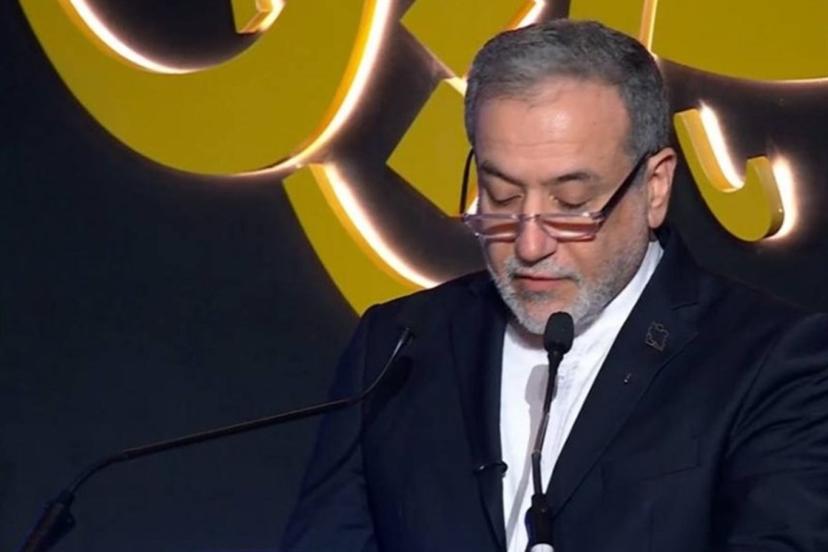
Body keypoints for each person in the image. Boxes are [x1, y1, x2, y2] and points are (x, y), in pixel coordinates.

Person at [281, 19, 828, 552]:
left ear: (655, 186)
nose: (529, 244)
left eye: (571, 204)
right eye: (501, 197)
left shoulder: (772, 360)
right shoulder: (397, 346)